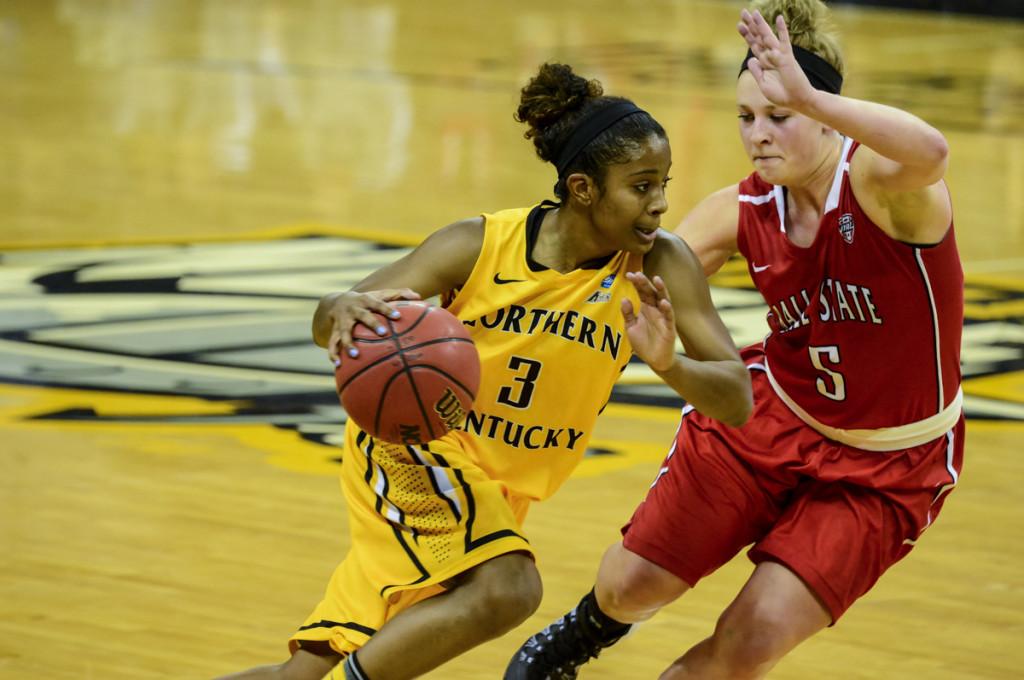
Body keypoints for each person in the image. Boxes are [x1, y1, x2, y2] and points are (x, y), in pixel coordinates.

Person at [218, 62, 752, 680]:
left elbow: (735, 398)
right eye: (640, 185)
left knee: (310, 667)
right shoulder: (478, 245)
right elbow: (335, 322)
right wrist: (336, 306)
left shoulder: (661, 263)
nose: (660, 202)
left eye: (663, 182)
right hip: (417, 451)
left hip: (496, 491)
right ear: (582, 188)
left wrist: (669, 363)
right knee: (509, 588)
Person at [505, 2, 964, 679]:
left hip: (884, 466)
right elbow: (621, 285)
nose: (759, 136)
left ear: (825, 113)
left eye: (780, 117)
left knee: (750, 642)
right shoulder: (741, 208)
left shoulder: (880, 185)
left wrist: (808, 95)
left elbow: (933, 151)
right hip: (770, 419)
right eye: (746, 119)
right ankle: (576, 639)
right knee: (629, 585)